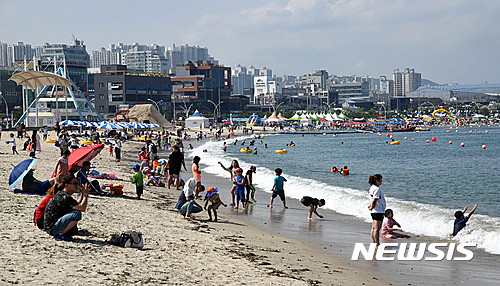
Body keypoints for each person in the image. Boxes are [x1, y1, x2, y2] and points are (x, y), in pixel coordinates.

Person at [43, 175, 91, 241]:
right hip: (52, 228)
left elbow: (76, 204)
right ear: (67, 185)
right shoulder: (64, 196)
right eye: (74, 183)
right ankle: (61, 234)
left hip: (52, 226)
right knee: (77, 214)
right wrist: (85, 195)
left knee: (75, 213)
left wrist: (82, 194)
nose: (76, 185)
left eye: (77, 183)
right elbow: (82, 208)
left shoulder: (64, 195)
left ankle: (62, 232)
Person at [368, 174, 385, 245]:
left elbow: (372, 199)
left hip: (375, 210)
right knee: (377, 229)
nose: (381, 181)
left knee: (373, 228)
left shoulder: (372, 188)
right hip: (378, 210)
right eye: (380, 180)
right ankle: (377, 243)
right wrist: (372, 206)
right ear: (377, 180)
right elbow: (375, 199)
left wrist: (371, 206)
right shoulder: (377, 189)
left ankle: (374, 242)